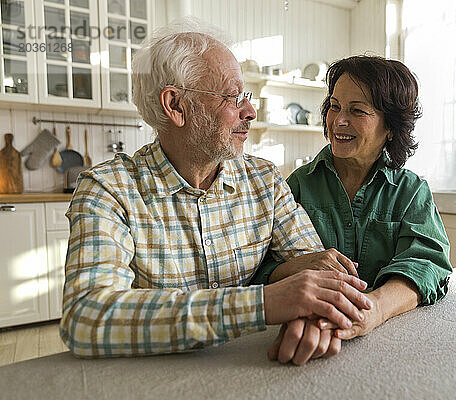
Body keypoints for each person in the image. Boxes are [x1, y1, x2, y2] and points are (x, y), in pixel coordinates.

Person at [59, 18, 373, 358]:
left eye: (246, 96)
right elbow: (86, 316)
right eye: (233, 97)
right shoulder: (108, 190)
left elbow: (315, 274)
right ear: (175, 105)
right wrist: (263, 303)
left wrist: (313, 318)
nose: (250, 112)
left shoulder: (264, 181)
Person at [254, 56, 453, 365]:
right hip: (308, 340)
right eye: (334, 106)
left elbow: (427, 264)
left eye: (357, 110)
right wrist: (292, 268)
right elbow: (257, 269)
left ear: (390, 127)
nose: (339, 121)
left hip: (387, 344)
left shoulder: (411, 192)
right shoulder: (295, 186)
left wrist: (374, 308)